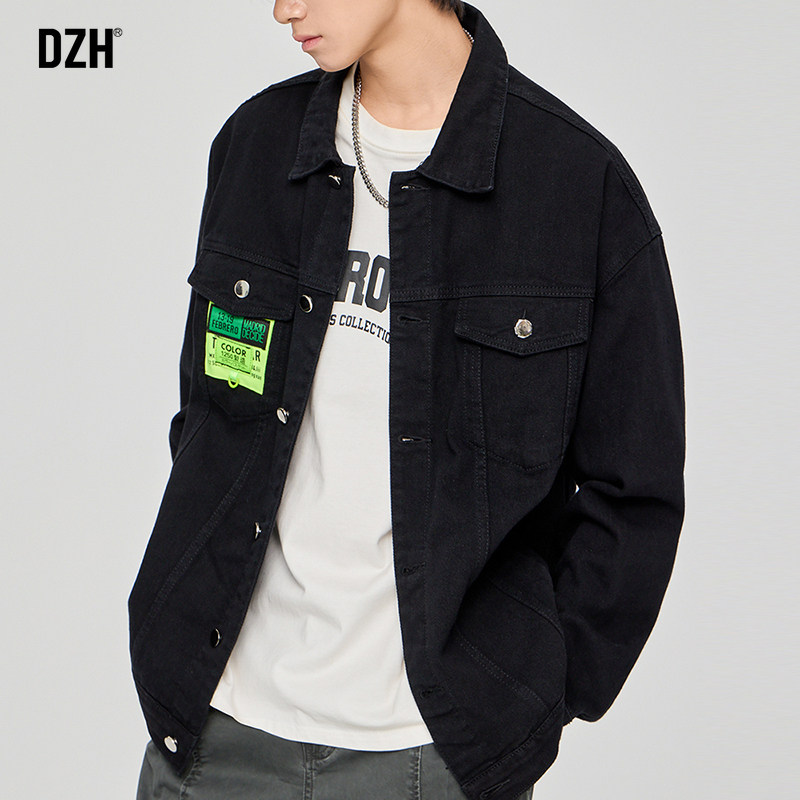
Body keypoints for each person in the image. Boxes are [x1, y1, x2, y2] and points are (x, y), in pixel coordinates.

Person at [130, 2, 686, 799]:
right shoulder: (255, 147)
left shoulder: (578, 187)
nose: (283, 7)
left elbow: (634, 492)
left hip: (429, 760)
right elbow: (208, 422)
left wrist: (531, 696)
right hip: (213, 738)